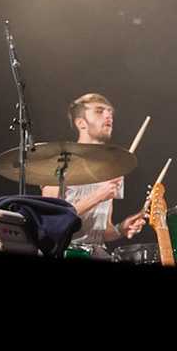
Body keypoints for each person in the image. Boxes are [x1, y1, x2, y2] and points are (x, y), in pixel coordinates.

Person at [41, 93, 146, 257]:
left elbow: (104, 231)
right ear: (81, 123)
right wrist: (98, 196)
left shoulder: (112, 168)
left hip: (98, 251)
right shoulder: (61, 163)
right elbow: (51, 222)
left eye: (110, 112)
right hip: (66, 250)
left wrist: (121, 229)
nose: (108, 115)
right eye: (99, 111)